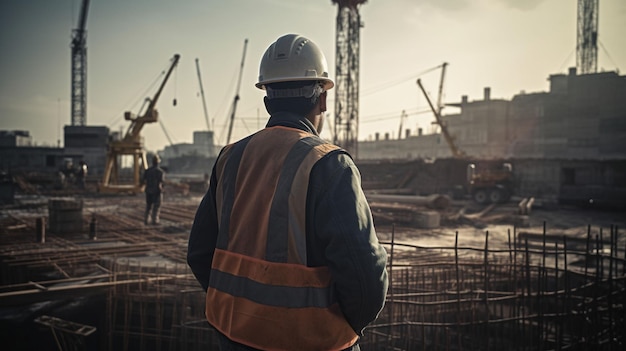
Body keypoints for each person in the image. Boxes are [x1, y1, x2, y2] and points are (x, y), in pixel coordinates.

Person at [187, 34, 388, 351]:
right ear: (322, 100)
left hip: (233, 337)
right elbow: (365, 279)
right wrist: (343, 326)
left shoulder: (229, 159)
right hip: (314, 343)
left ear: (267, 101)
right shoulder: (329, 165)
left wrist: (240, 314)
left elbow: (199, 253)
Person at [143, 154, 165, 225]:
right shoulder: (160, 172)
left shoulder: (147, 171)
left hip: (148, 191)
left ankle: (146, 220)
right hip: (156, 192)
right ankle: (154, 221)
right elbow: (161, 183)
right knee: (156, 207)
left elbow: (143, 180)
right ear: (158, 162)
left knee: (148, 206)